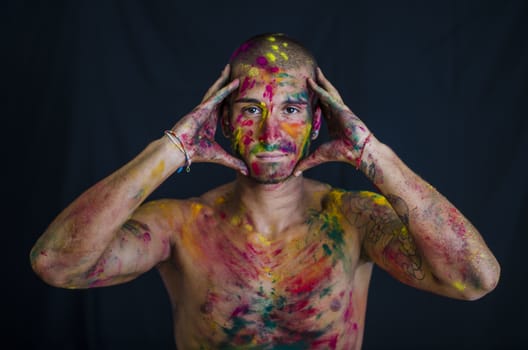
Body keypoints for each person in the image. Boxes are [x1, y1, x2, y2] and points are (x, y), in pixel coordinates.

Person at [30, 33, 500, 349]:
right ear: (225, 121)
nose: (271, 132)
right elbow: (56, 263)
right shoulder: (182, 225)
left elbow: (475, 279)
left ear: (317, 122)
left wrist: (374, 157)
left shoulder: (353, 219)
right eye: (251, 111)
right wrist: (171, 150)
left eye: (292, 110)